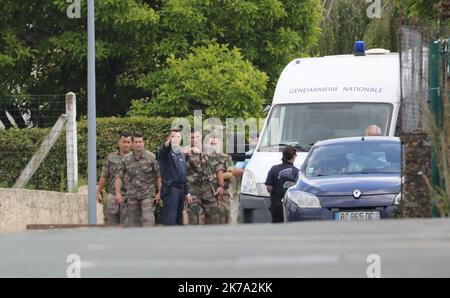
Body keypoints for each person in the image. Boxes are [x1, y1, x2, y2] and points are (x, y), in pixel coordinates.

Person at [115, 132, 162, 227]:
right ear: (132, 144)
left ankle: (149, 240)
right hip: (132, 195)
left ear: (143, 143)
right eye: (136, 142)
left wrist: (159, 193)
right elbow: (119, 177)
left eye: (140, 142)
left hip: (147, 194)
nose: (138, 144)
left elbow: (159, 176)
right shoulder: (126, 159)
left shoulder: (151, 157)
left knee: (148, 218)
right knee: (133, 222)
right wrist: (118, 193)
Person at [184, 128, 225, 225]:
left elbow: (219, 168)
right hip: (193, 188)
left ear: (201, 137)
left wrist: (221, 185)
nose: (195, 139)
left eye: (197, 137)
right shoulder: (185, 152)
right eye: (192, 137)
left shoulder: (210, 150)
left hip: (208, 187)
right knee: (194, 217)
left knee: (214, 216)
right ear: (188, 138)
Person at [157, 129, 192, 226]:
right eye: (173, 136)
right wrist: (169, 143)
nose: (175, 139)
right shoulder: (164, 153)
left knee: (179, 220)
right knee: (170, 220)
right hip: (171, 190)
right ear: (168, 139)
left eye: (178, 137)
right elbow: (163, 150)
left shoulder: (180, 154)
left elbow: (183, 175)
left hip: (181, 190)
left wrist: (187, 192)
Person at [97, 132, 132, 225]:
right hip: (112, 196)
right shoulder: (111, 157)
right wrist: (97, 192)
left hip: (129, 197)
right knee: (111, 225)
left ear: (131, 143)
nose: (126, 144)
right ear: (119, 142)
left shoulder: (136, 158)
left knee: (127, 227)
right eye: (124, 142)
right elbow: (104, 175)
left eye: (128, 142)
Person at [265, 146, 299, 223]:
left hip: (276, 204)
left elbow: (269, 188)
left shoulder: (274, 169)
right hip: (292, 205)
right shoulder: (297, 172)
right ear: (294, 156)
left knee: (277, 227)